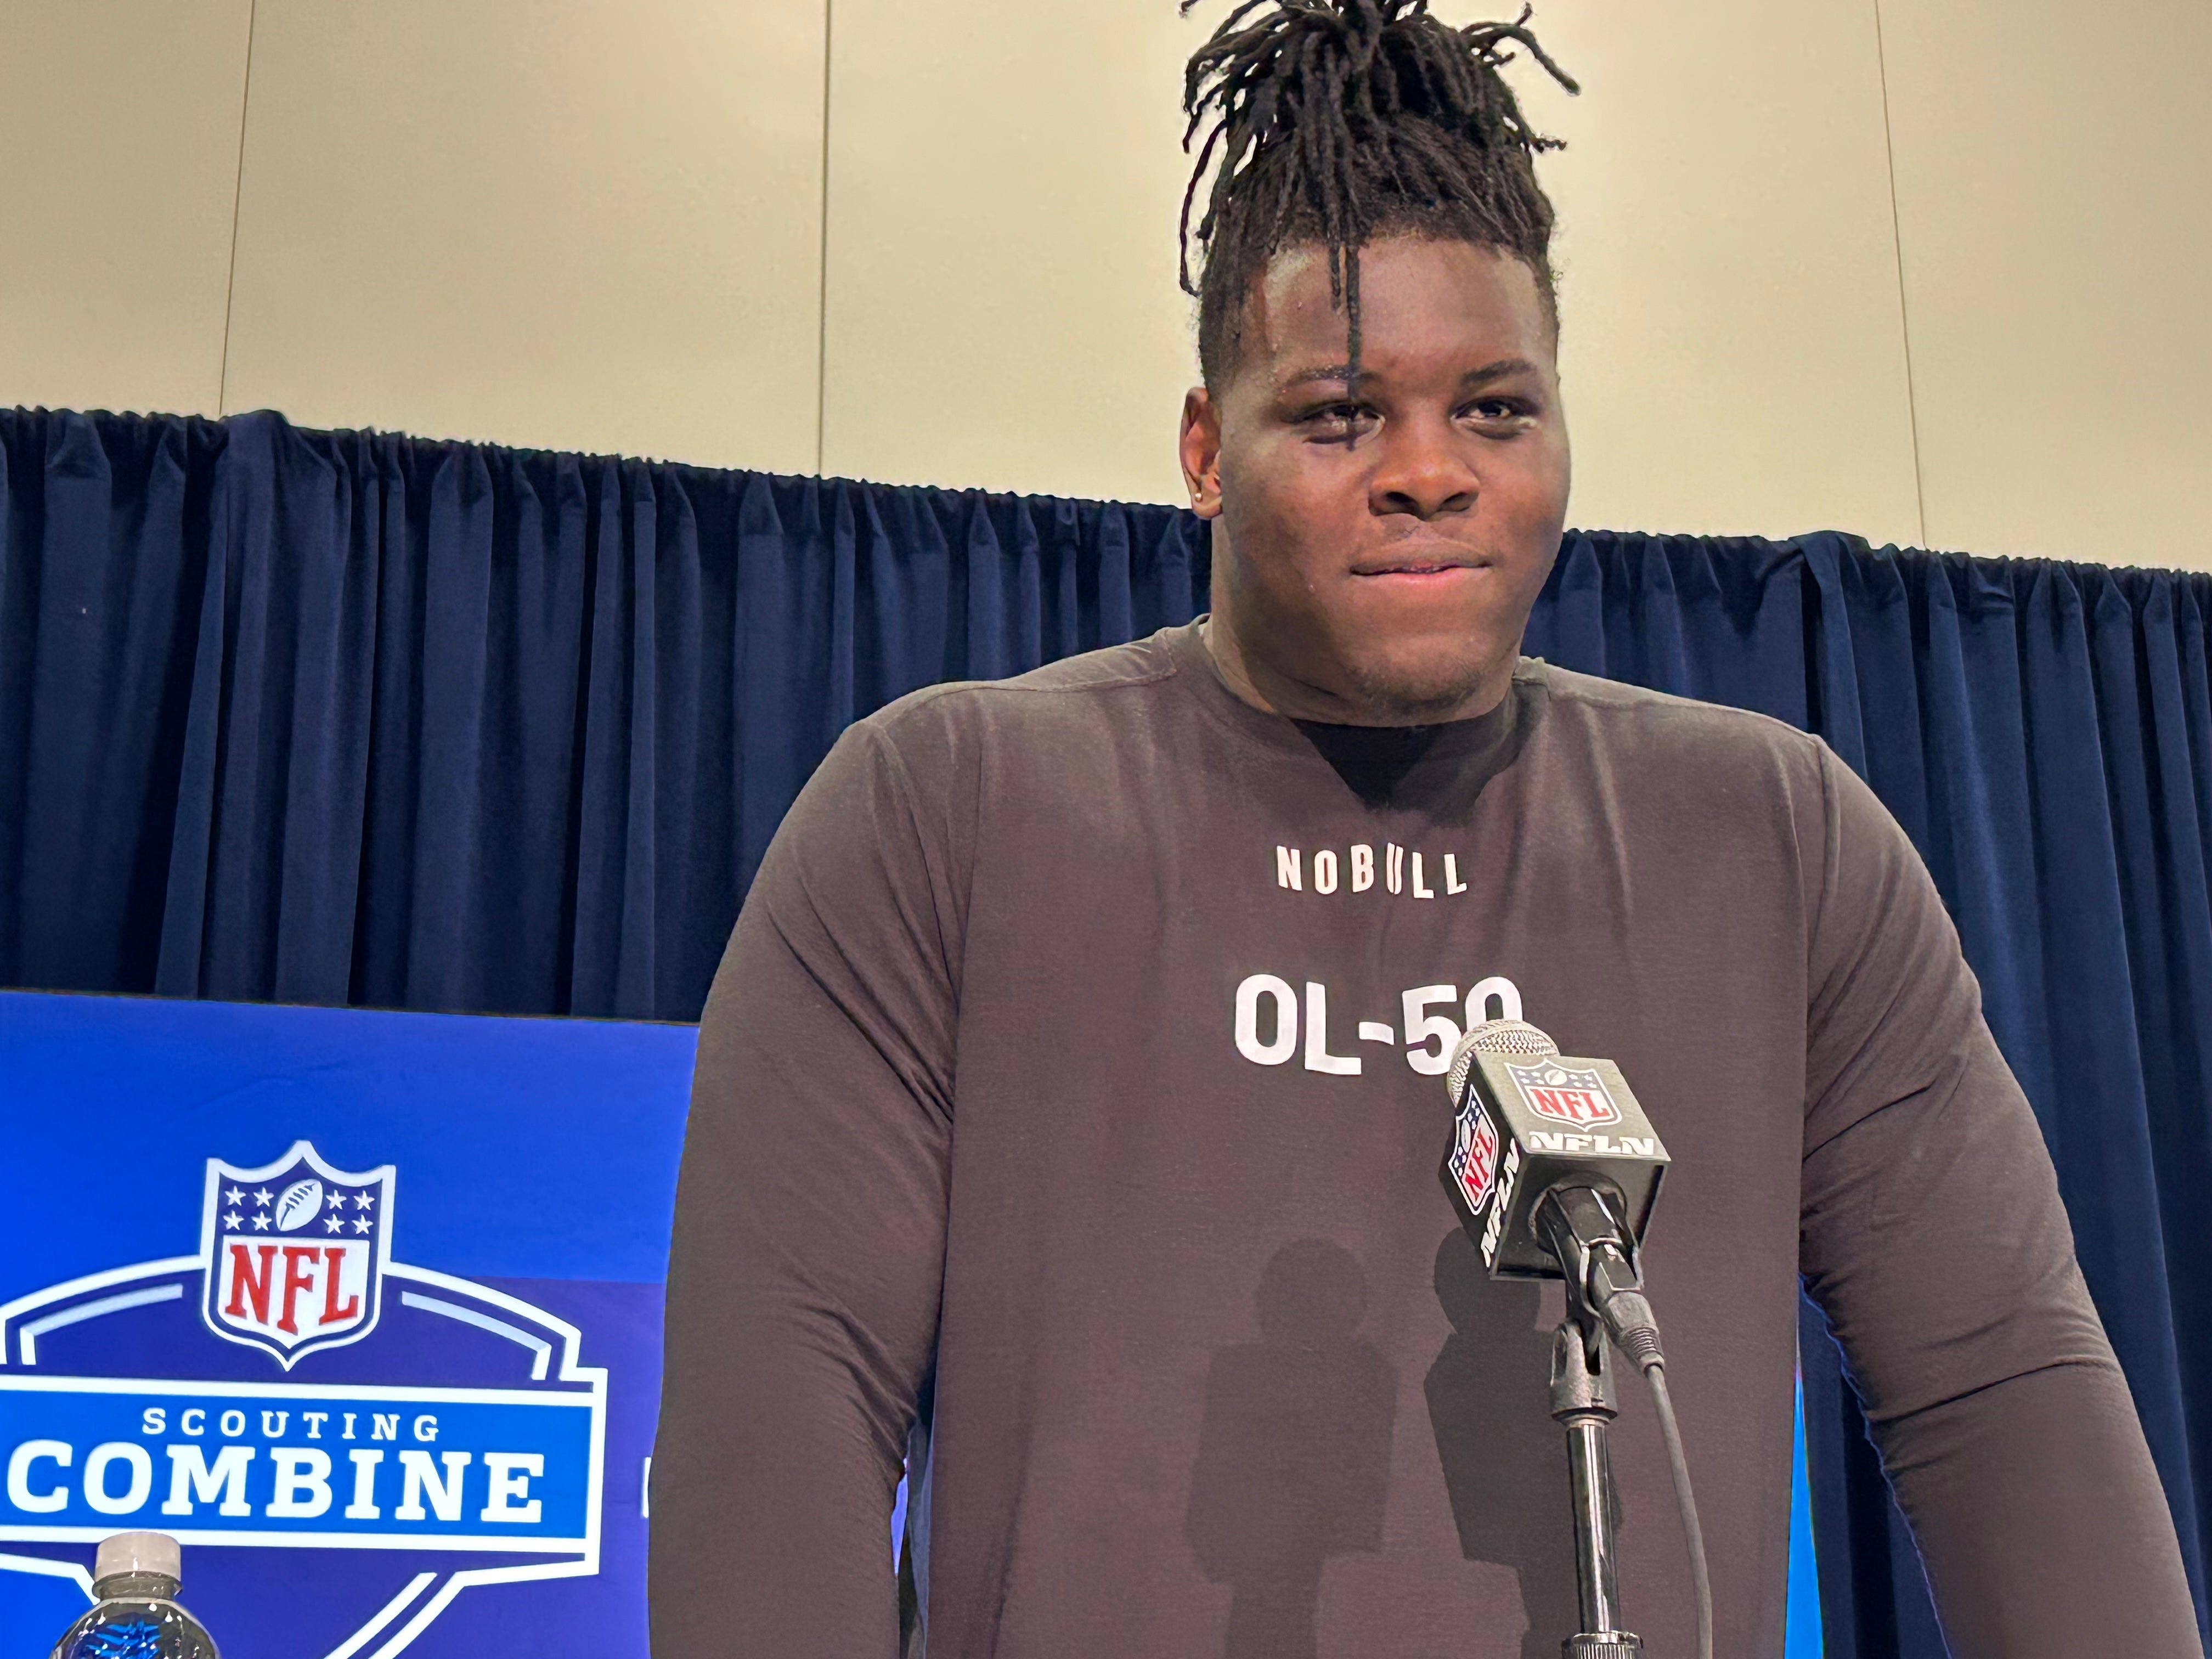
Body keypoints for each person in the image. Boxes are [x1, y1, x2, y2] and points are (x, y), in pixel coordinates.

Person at [650, 2, 2200, 1654]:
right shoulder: (943, 816)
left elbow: (2006, 1394)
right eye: (1339, 415)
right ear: (1202, 449)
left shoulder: (1776, 844)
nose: (1429, 472)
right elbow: (781, 1421)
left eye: (1495, 410)